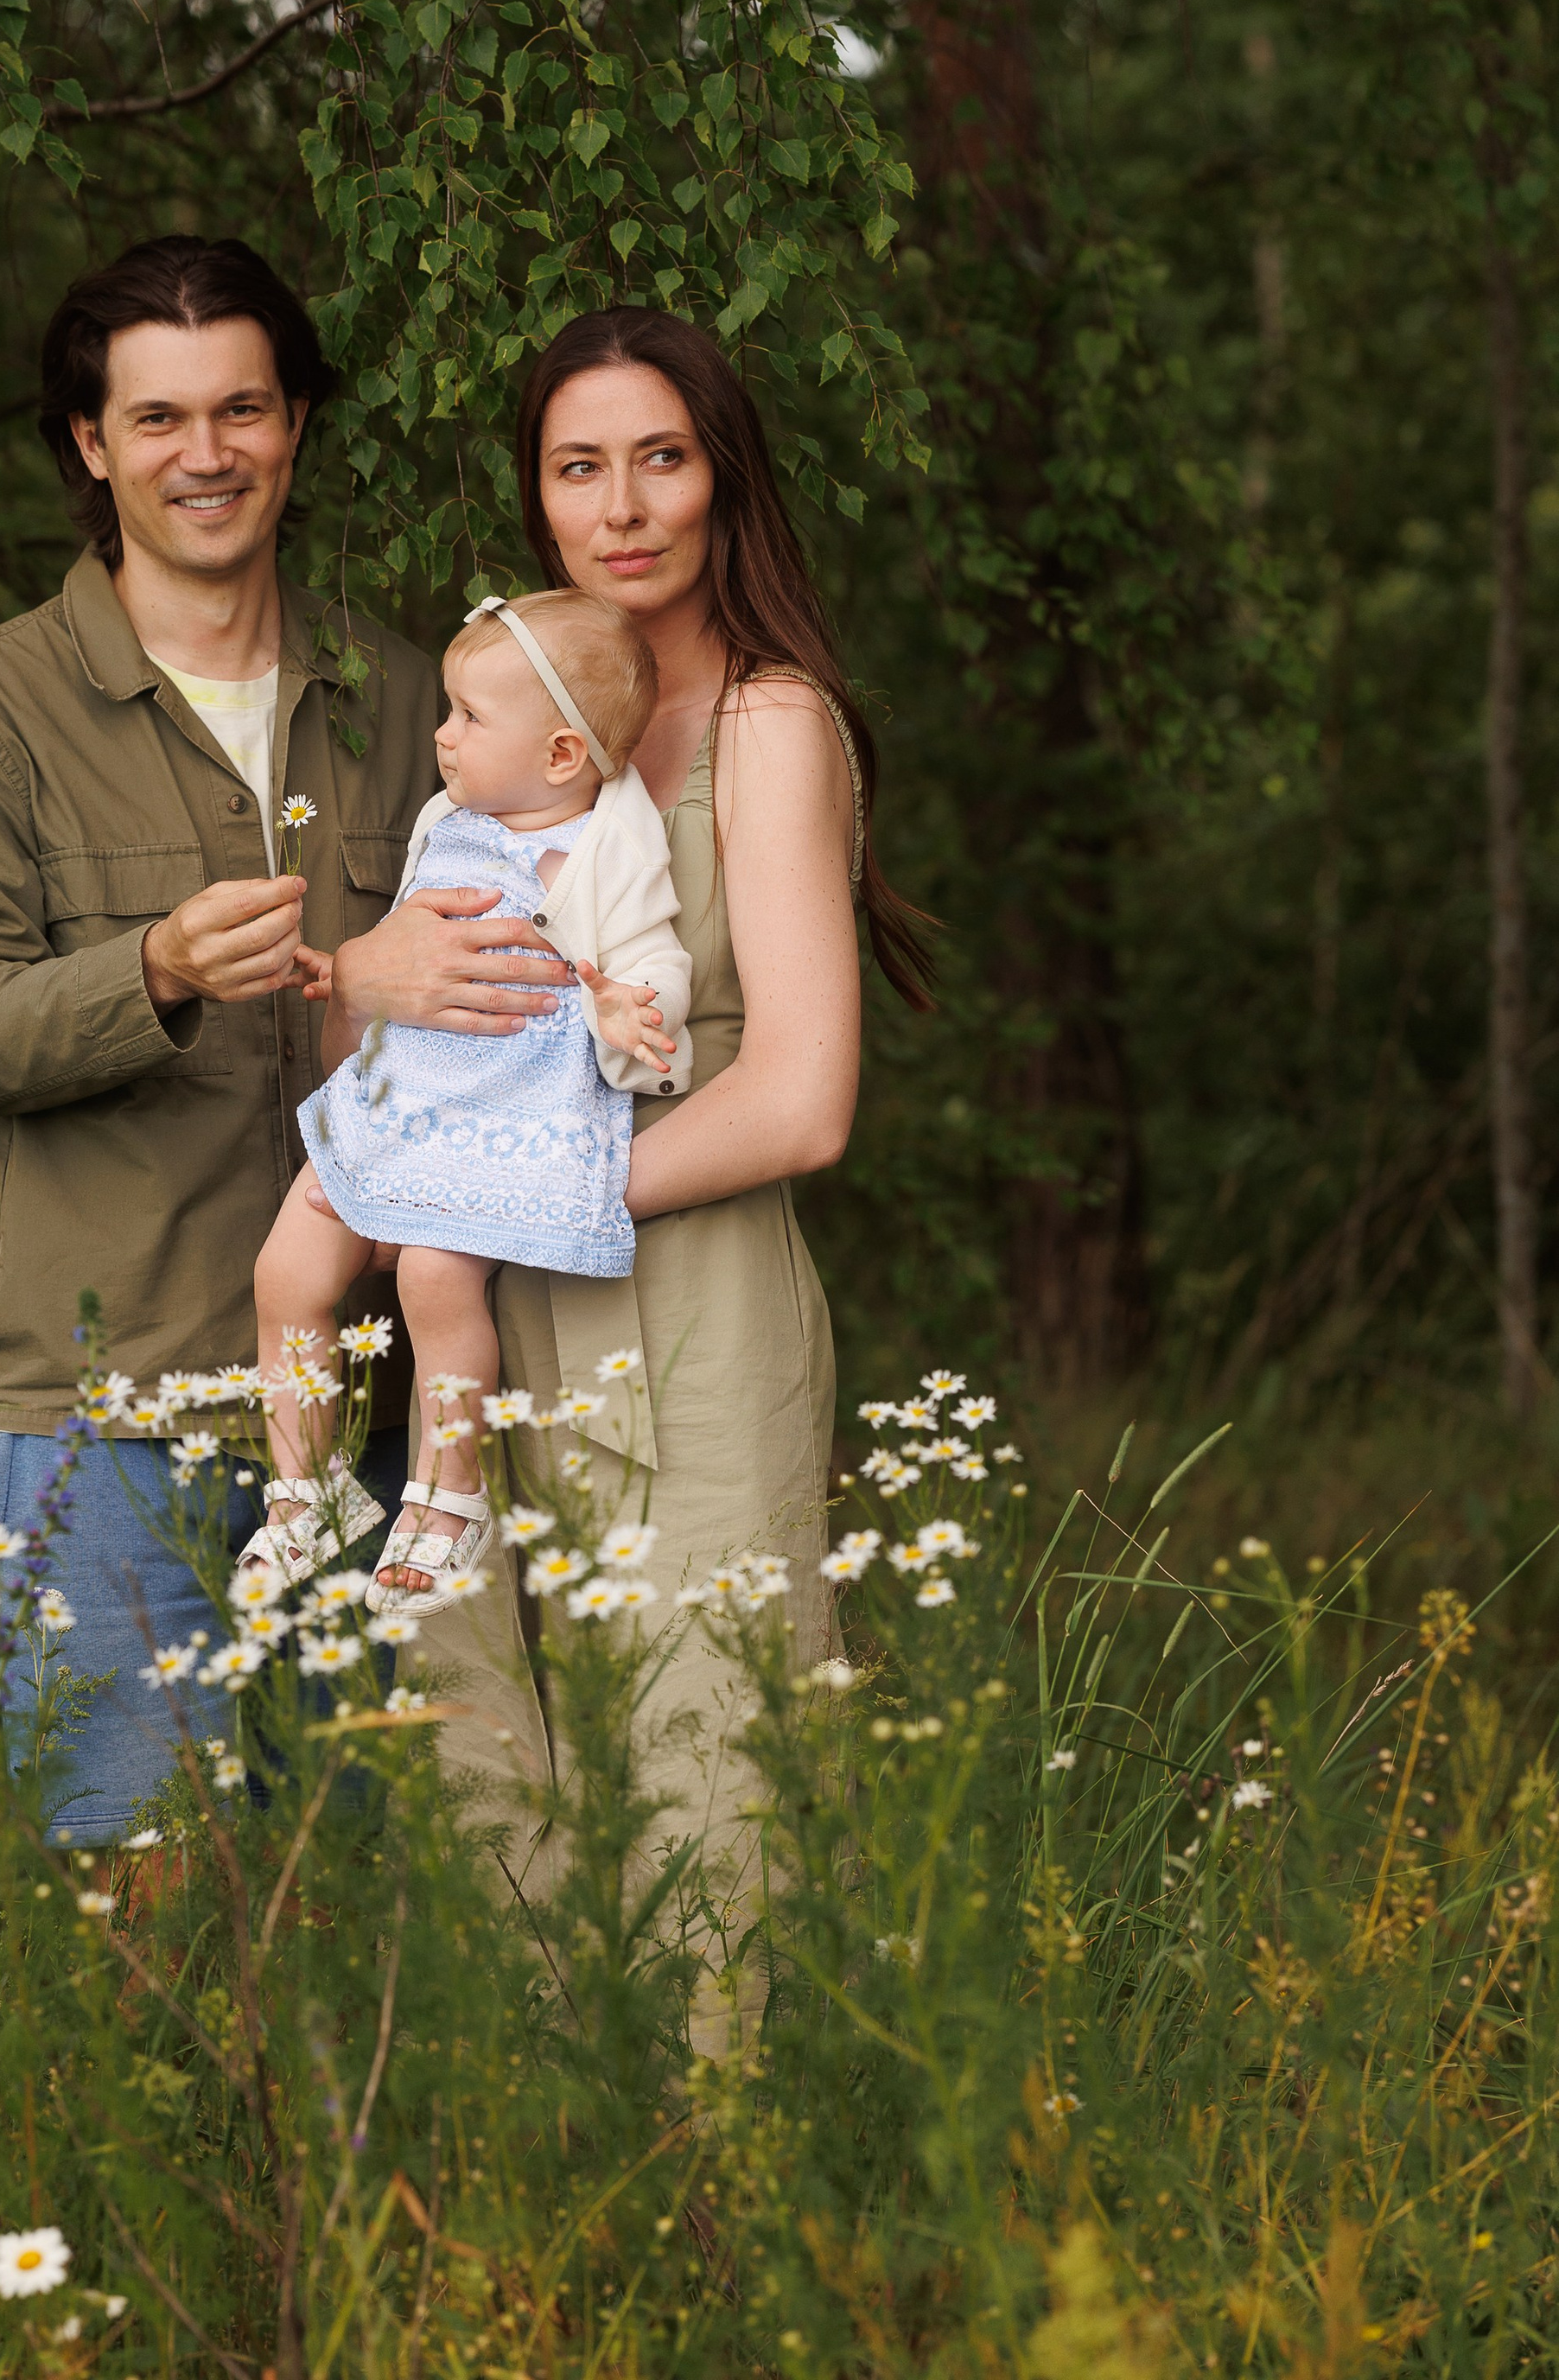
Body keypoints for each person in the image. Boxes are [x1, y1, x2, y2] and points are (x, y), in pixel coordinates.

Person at [0, 236, 565, 1843]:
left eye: (244, 409)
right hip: (102, 1414)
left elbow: (534, 985)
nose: (208, 456)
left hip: (386, 1409)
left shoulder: (414, 699)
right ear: (91, 443)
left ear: (299, 424)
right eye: (161, 419)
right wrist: (160, 966)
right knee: (141, 1914)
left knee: (392, 1916)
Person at [331, 304, 934, 2055]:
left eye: (658, 457)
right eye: (576, 466)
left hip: (687, 1303)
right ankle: (554, 2195)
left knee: (703, 1779)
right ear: (535, 494)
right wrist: (367, 986)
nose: (621, 506)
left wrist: (513, 1188)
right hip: (493, 1303)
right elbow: (428, 1002)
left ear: (720, 474)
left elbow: (800, 1099)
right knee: (493, 1751)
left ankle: (730, 2205)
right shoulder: (509, 720)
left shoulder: (763, 723)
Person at [239, 590, 689, 1615]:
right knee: (286, 1268)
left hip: (505, 1106)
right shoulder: (450, 820)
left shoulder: (613, 848)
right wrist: (356, 979)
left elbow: (653, 955)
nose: (440, 736)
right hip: (402, 1094)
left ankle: (447, 1496)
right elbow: (412, 942)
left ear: (564, 755)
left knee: (438, 1281)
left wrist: (631, 1009)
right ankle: (305, 1489)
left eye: (468, 718)